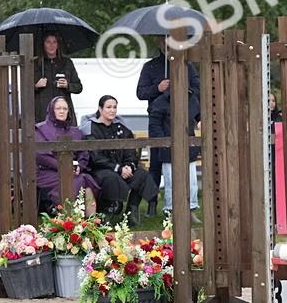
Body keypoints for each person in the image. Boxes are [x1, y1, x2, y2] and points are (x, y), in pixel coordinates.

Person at [136, 37, 200, 217]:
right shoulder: (150, 67)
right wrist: (158, 88)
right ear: (158, 43)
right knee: (156, 165)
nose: (167, 43)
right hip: (158, 121)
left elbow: (198, 89)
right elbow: (141, 92)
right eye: (163, 40)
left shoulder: (187, 66)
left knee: (187, 164)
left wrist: (182, 87)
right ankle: (152, 203)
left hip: (184, 120)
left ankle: (189, 205)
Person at [85, 95, 159, 226]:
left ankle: (132, 209)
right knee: (112, 178)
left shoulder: (122, 129)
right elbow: (96, 157)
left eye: (114, 107)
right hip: (101, 170)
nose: (112, 110)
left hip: (121, 168)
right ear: (100, 109)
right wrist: (118, 169)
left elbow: (130, 152)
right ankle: (109, 209)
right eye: (108, 107)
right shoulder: (92, 128)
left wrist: (129, 166)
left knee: (141, 175)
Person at [35, 96, 98, 215]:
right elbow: (42, 156)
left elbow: (83, 153)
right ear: (51, 110)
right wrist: (65, 167)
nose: (62, 111)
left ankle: (92, 224)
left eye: (65, 108)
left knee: (86, 180)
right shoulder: (40, 129)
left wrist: (79, 166)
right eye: (58, 108)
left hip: (73, 172)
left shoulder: (75, 132)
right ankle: (70, 222)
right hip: (48, 172)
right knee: (71, 183)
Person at [148, 84, 201, 225]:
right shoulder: (160, 102)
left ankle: (191, 211)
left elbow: (199, 115)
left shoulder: (192, 99)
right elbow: (154, 124)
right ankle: (171, 212)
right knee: (171, 181)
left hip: (188, 146)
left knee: (192, 182)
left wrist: (201, 121)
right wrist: (164, 143)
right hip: (169, 148)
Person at [33, 31, 83, 121]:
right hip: (42, 115)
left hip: (64, 115)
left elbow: (79, 87)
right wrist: (36, 86)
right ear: (43, 45)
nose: (51, 45)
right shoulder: (35, 64)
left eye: (54, 42)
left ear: (58, 45)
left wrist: (68, 86)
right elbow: (25, 90)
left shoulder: (67, 63)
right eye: (48, 42)